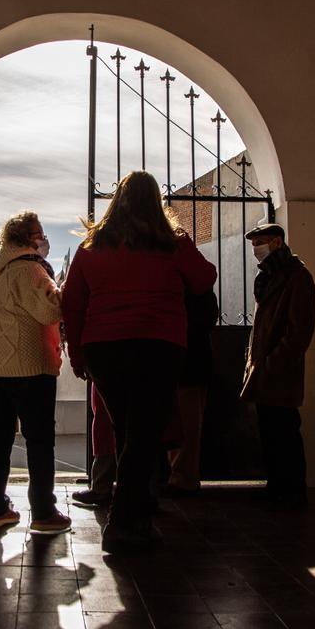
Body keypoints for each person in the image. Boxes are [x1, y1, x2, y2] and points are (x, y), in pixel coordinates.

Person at [63, 171, 216, 552]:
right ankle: (121, 522)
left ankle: (141, 512)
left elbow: (72, 302)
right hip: (158, 345)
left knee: (126, 430)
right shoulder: (172, 243)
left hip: (104, 347)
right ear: (156, 202)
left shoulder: (90, 247)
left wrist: (78, 355)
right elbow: (204, 278)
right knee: (145, 432)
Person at [0, 211, 71, 534]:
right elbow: (49, 311)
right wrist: (62, 289)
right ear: (26, 239)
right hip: (27, 364)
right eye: (39, 232)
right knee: (39, 439)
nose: (44, 238)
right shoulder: (30, 270)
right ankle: (43, 511)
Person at [240, 220, 315, 509]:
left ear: (276, 243)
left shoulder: (297, 277)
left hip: (280, 370)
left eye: (259, 243)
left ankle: (292, 492)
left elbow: (299, 332)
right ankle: (278, 488)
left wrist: (273, 363)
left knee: (285, 431)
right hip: (264, 369)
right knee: (271, 432)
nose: (255, 249)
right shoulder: (269, 277)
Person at [166, 289, 219, 493]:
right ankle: (180, 476)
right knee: (186, 425)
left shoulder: (188, 283)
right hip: (192, 361)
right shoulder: (200, 285)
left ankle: (182, 478)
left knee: (185, 425)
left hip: (187, 363)